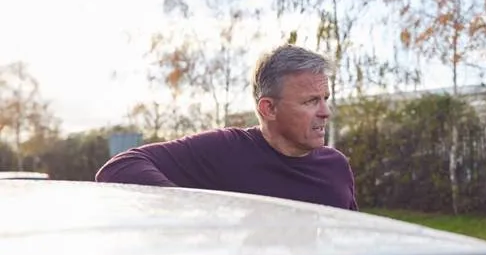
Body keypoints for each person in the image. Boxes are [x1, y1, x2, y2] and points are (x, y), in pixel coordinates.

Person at [95, 44, 358, 210]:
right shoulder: (227, 150)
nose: (326, 112)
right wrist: (188, 206)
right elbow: (120, 166)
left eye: (325, 99)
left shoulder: (336, 166)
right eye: (311, 101)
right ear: (269, 109)